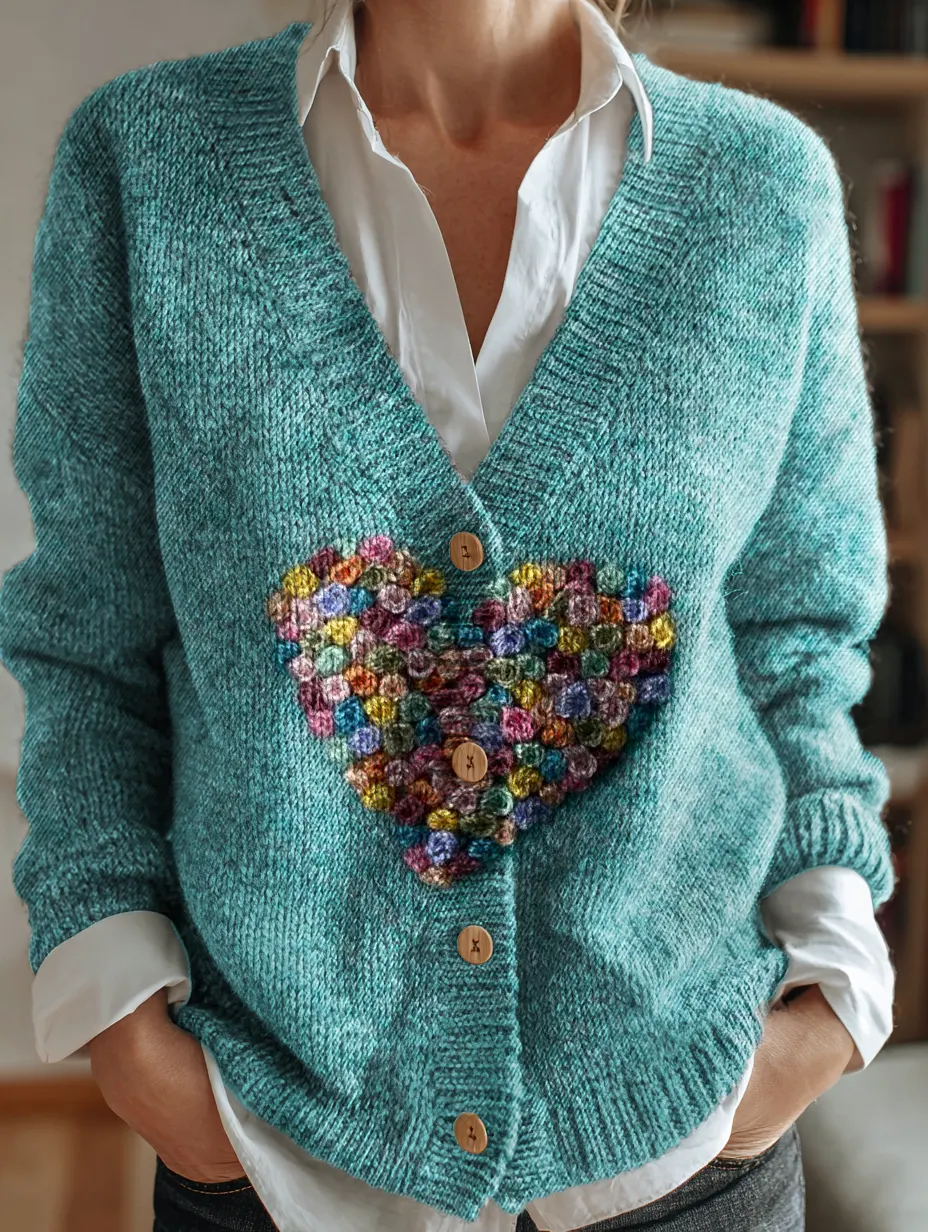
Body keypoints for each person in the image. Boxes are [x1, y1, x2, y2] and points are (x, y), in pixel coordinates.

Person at [0, 0, 896, 1229]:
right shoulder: (150, 164)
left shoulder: (761, 189)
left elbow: (799, 636)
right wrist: (122, 1021)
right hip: (272, 1148)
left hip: (689, 1147)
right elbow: (87, 640)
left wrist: (832, 986)